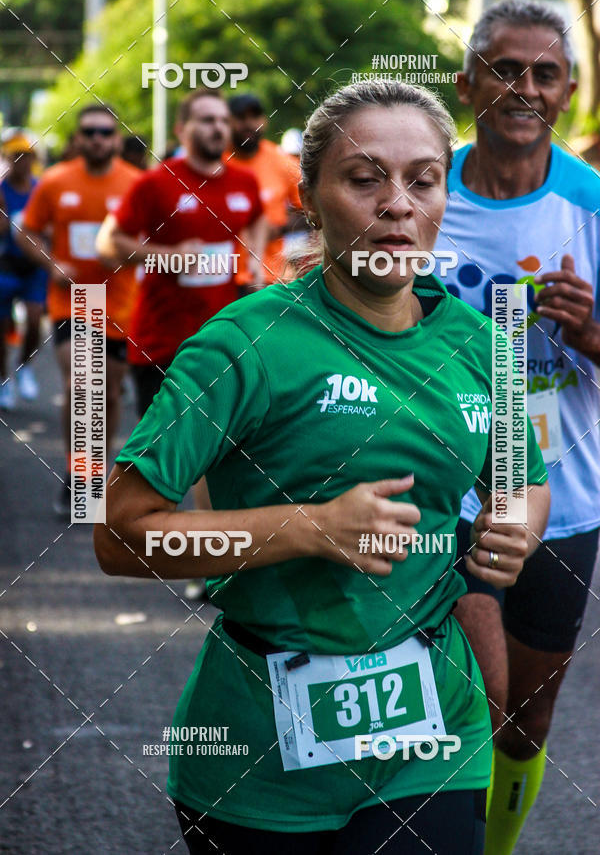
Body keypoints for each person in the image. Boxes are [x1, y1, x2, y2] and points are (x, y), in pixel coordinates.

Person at [95, 80, 550, 855]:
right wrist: (308, 529)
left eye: (423, 179)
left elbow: (521, 478)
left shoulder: (479, 342)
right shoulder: (245, 343)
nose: (397, 204)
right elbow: (120, 537)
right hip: (258, 755)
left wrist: (515, 525)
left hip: (435, 736)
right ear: (308, 197)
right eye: (365, 178)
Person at [436, 0, 600, 855]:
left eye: (544, 72)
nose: (523, 87)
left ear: (568, 91)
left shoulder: (594, 205)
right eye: (505, 68)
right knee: (475, 704)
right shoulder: (423, 196)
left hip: (565, 496)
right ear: (469, 84)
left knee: (525, 727)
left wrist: (591, 334)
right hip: (446, 493)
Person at [96, 88, 267, 421]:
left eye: (222, 120)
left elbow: (258, 217)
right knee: (160, 457)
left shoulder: (244, 182)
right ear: (181, 129)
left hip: (221, 341)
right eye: (206, 120)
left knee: (212, 451)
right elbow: (109, 244)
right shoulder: (157, 182)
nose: (218, 128)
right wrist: (167, 254)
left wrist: (256, 262)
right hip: (161, 345)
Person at [18, 104, 141, 516]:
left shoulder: (137, 184)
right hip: (76, 299)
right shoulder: (55, 182)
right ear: (77, 138)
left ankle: (95, 470)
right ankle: (79, 477)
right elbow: (28, 231)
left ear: (117, 138)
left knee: (105, 392)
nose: (97, 139)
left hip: (123, 302)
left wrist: (131, 256)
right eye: (89, 131)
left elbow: (157, 238)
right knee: (82, 384)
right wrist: (52, 263)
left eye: (105, 132)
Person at [227, 93, 307, 284]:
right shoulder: (214, 163)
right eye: (240, 118)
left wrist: (279, 227)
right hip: (219, 279)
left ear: (264, 121)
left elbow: (311, 211)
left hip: (267, 279)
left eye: (254, 117)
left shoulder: (282, 162)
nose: (249, 124)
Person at [0, 130, 46, 408]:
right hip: (5, 266)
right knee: (2, 329)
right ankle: (4, 380)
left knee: (34, 318)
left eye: (26, 156)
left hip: (34, 266)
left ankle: (25, 366)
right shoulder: (1, 190)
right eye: (15, 156)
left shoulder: (41, 189)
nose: (21, 162)